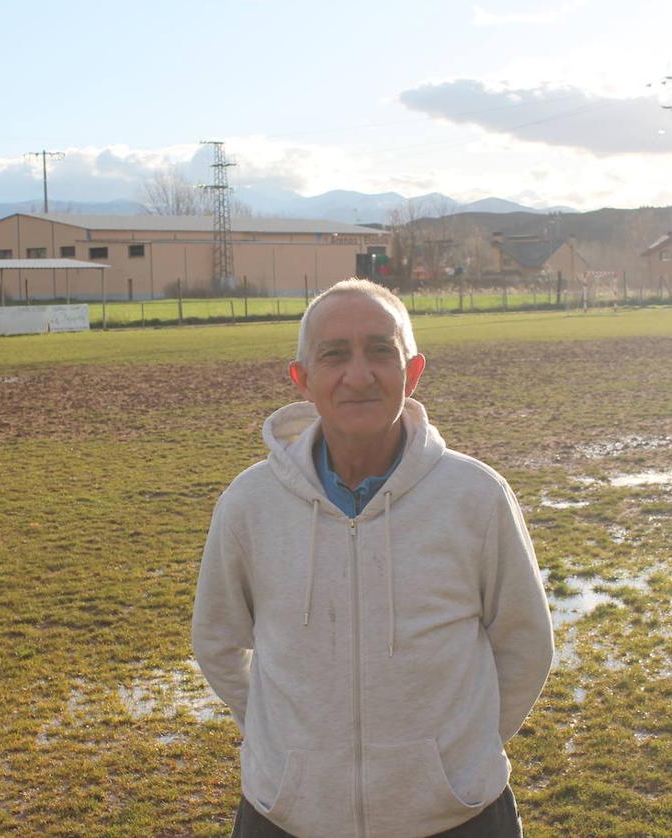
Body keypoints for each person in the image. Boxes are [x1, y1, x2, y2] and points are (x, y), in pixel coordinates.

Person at [192, 279, 554, 838]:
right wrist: (288, 752)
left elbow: (526, 645)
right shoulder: (249, 504)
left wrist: (449, 764)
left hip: (458, 818)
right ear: (303, 379)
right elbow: (217, 640)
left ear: (412, 373)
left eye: (381, 351)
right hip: (286, 819)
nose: (358, 375)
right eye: (334, 355)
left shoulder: (476, 496)